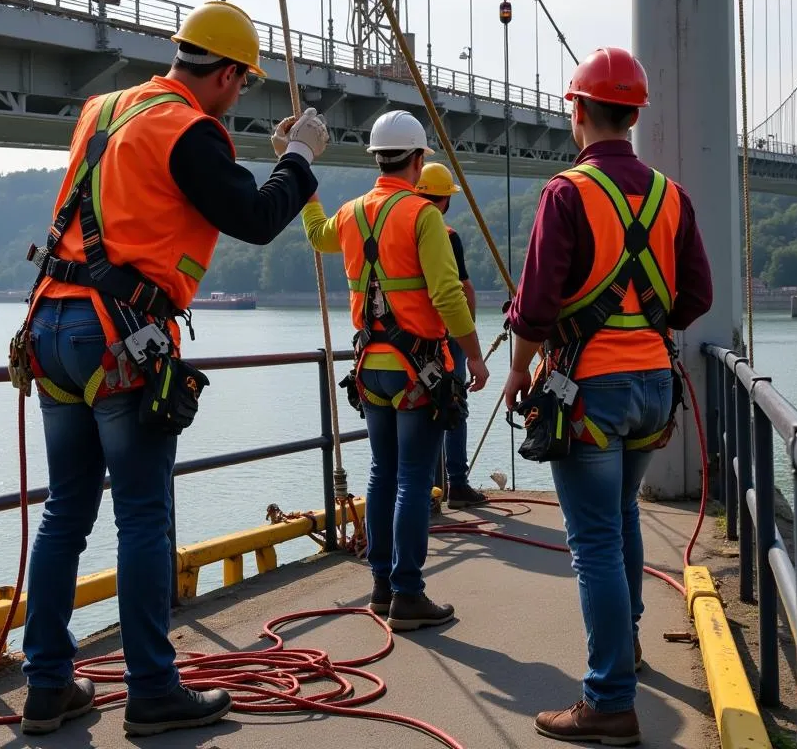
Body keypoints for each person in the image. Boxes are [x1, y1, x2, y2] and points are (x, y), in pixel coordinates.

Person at [16, 0, 329, 737]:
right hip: (120, 337)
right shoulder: (190, 128)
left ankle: (46, 686)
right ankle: (152, 690)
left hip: (53, 324)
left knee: (65, 511)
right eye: (242, 84)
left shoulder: (105, 108)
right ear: (223, 74)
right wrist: (302, 157)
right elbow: (253, 218)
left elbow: (148, 195)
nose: (239, 96)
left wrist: (272, 157)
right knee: (144, 517)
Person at [503, 47, 713, 746]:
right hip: (654, 386)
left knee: (592, 540)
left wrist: (517, 372)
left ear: (580, 110)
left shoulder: (566, 193)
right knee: (619, 517)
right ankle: (626, 652)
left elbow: (535, 308)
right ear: (634, 115)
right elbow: (696, 298)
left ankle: (608, 700)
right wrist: (642, 324)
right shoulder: (670, 195)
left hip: (590, 390)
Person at [303, 110, 489, 631]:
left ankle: (382, 587)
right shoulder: (422, 215)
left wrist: (300, 175)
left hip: (371, 368)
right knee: (411, 478)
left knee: (382, 474)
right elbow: (447, 296)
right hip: (420, 371)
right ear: (418, 158)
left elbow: (317, 235)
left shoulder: (352, 212)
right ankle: (408, 593)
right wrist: (473, 353)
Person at [414, 162, 488, 510]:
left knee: (419, 411)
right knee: (454, 407)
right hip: (445, 339)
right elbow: (463, 290)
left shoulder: (397, 228)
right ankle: (456, 484)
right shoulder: (446, 234)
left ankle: (425, 493)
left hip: (405, 341)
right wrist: (467, 340)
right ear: (445, 200)